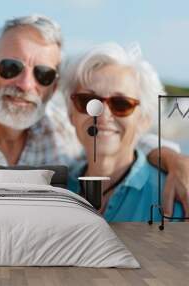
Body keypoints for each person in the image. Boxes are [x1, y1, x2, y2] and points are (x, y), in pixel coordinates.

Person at [0, 14, 189, 217]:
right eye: (11, 68)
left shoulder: (62, 132)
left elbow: (119, 140)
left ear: (53, 87)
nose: (25, 84)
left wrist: (174, 159)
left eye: (42, 74)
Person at [64, 42, 183, 221]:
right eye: (88, 101)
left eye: (121, 104)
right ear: (71, 113)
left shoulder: (176, 198)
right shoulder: (55, 192)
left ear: (144, 119)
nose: (102, 115)